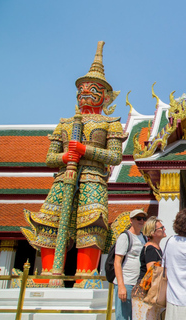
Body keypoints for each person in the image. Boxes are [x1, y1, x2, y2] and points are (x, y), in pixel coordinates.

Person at [21, 41, 127, 286]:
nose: (85, 93)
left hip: (92, 179)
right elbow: (50, 158)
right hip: (63, 179)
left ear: (105, 95)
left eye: (93, 89)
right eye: (82, 89)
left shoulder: (110, 123)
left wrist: (84, 150)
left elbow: (115, 157)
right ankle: (48, 275)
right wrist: (66, 157)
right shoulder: (65, 123)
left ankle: (84, 276)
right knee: (50, 224)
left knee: (91, 225)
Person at [114, 209, 148, 320]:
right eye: (138, 218)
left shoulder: (144, 238)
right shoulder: (125, 237)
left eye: (143, 219)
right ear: (131, 220)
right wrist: (121, 286)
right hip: (126, 283)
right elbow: (117, 262)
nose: (141, 221)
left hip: (138, 284)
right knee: (123, 317)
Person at [132, 216, 167, 320]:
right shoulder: (151, 249)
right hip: (145, 294)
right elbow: (152, 272)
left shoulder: (157, 248)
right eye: (161, 228)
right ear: (153, 233)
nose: (164, 229)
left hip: (152, 294)